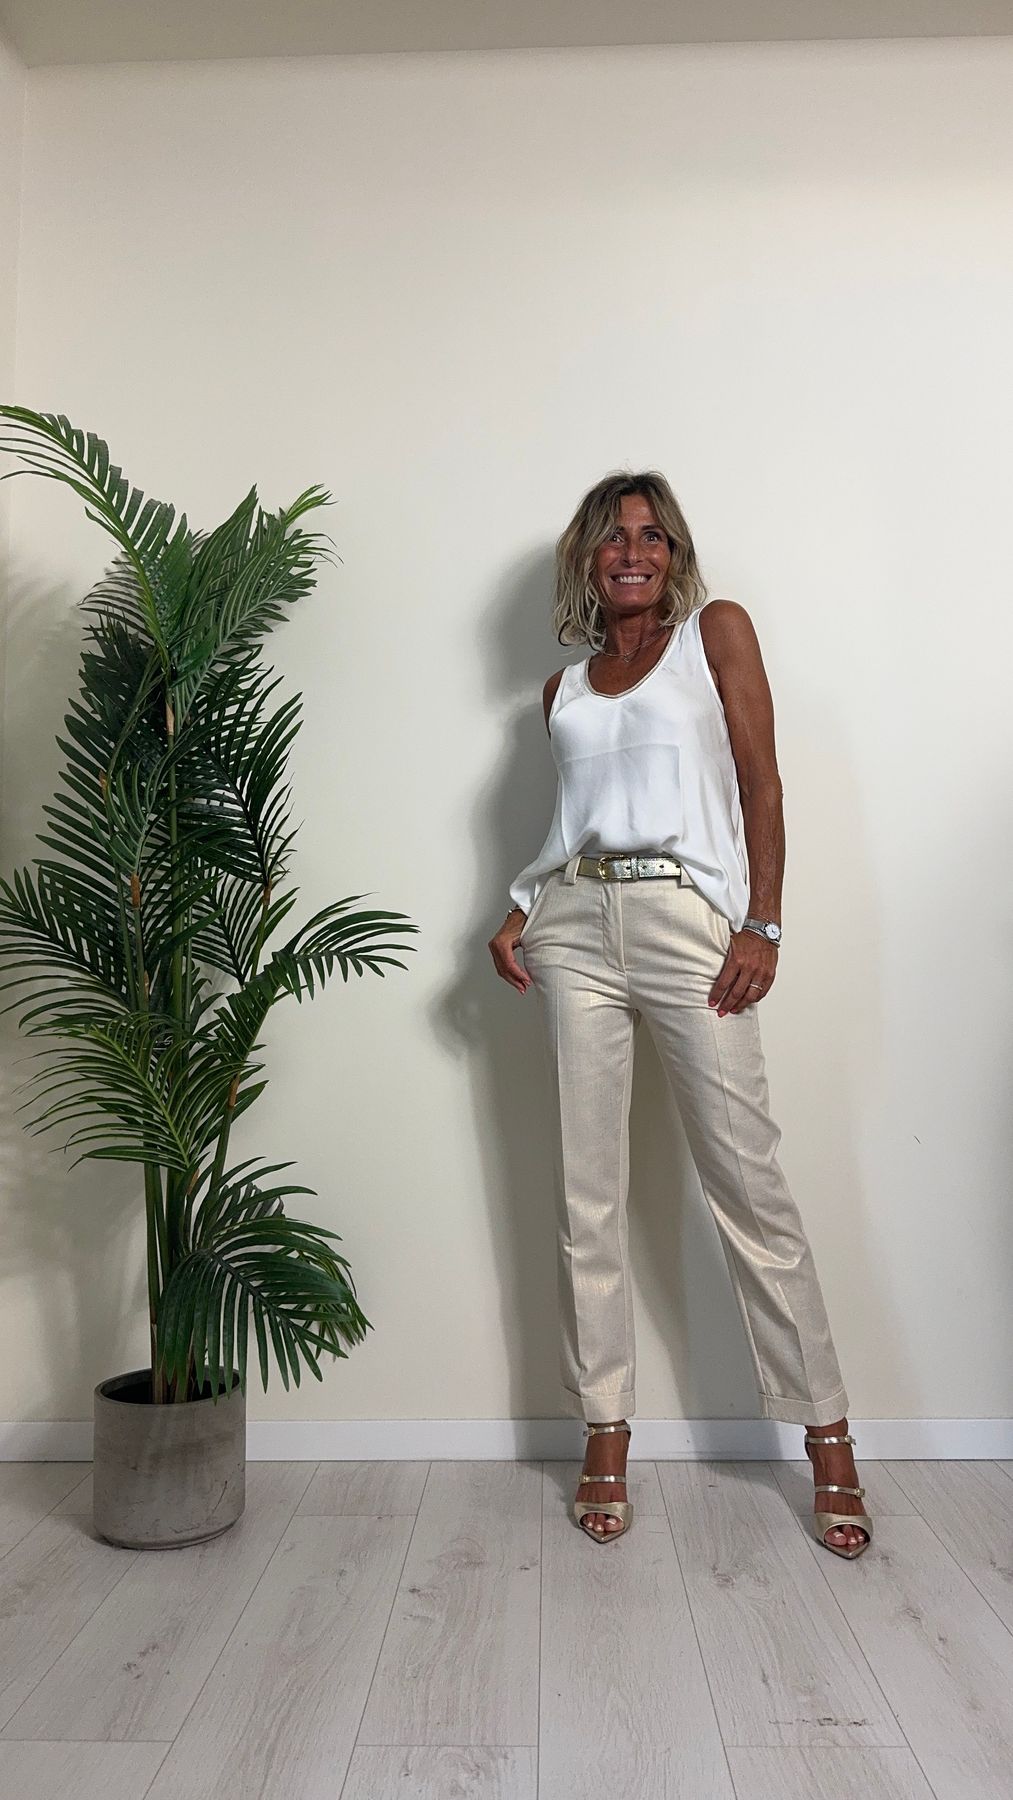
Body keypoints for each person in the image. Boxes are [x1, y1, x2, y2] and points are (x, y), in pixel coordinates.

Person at [489, 470, 872, 1558]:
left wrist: (763, 924)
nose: (633, 551)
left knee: (748, 1184)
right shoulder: (562, 691)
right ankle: (603, 1429)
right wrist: (520, 909)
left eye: (652, 535)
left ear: (673, 554)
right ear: (586, 558)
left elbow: (761, 785)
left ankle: (827, 1436)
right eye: (613, 537)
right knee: (587, 1191)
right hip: (573, 927)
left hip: (686, 922)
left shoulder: (716, 635)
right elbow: (576, 819)